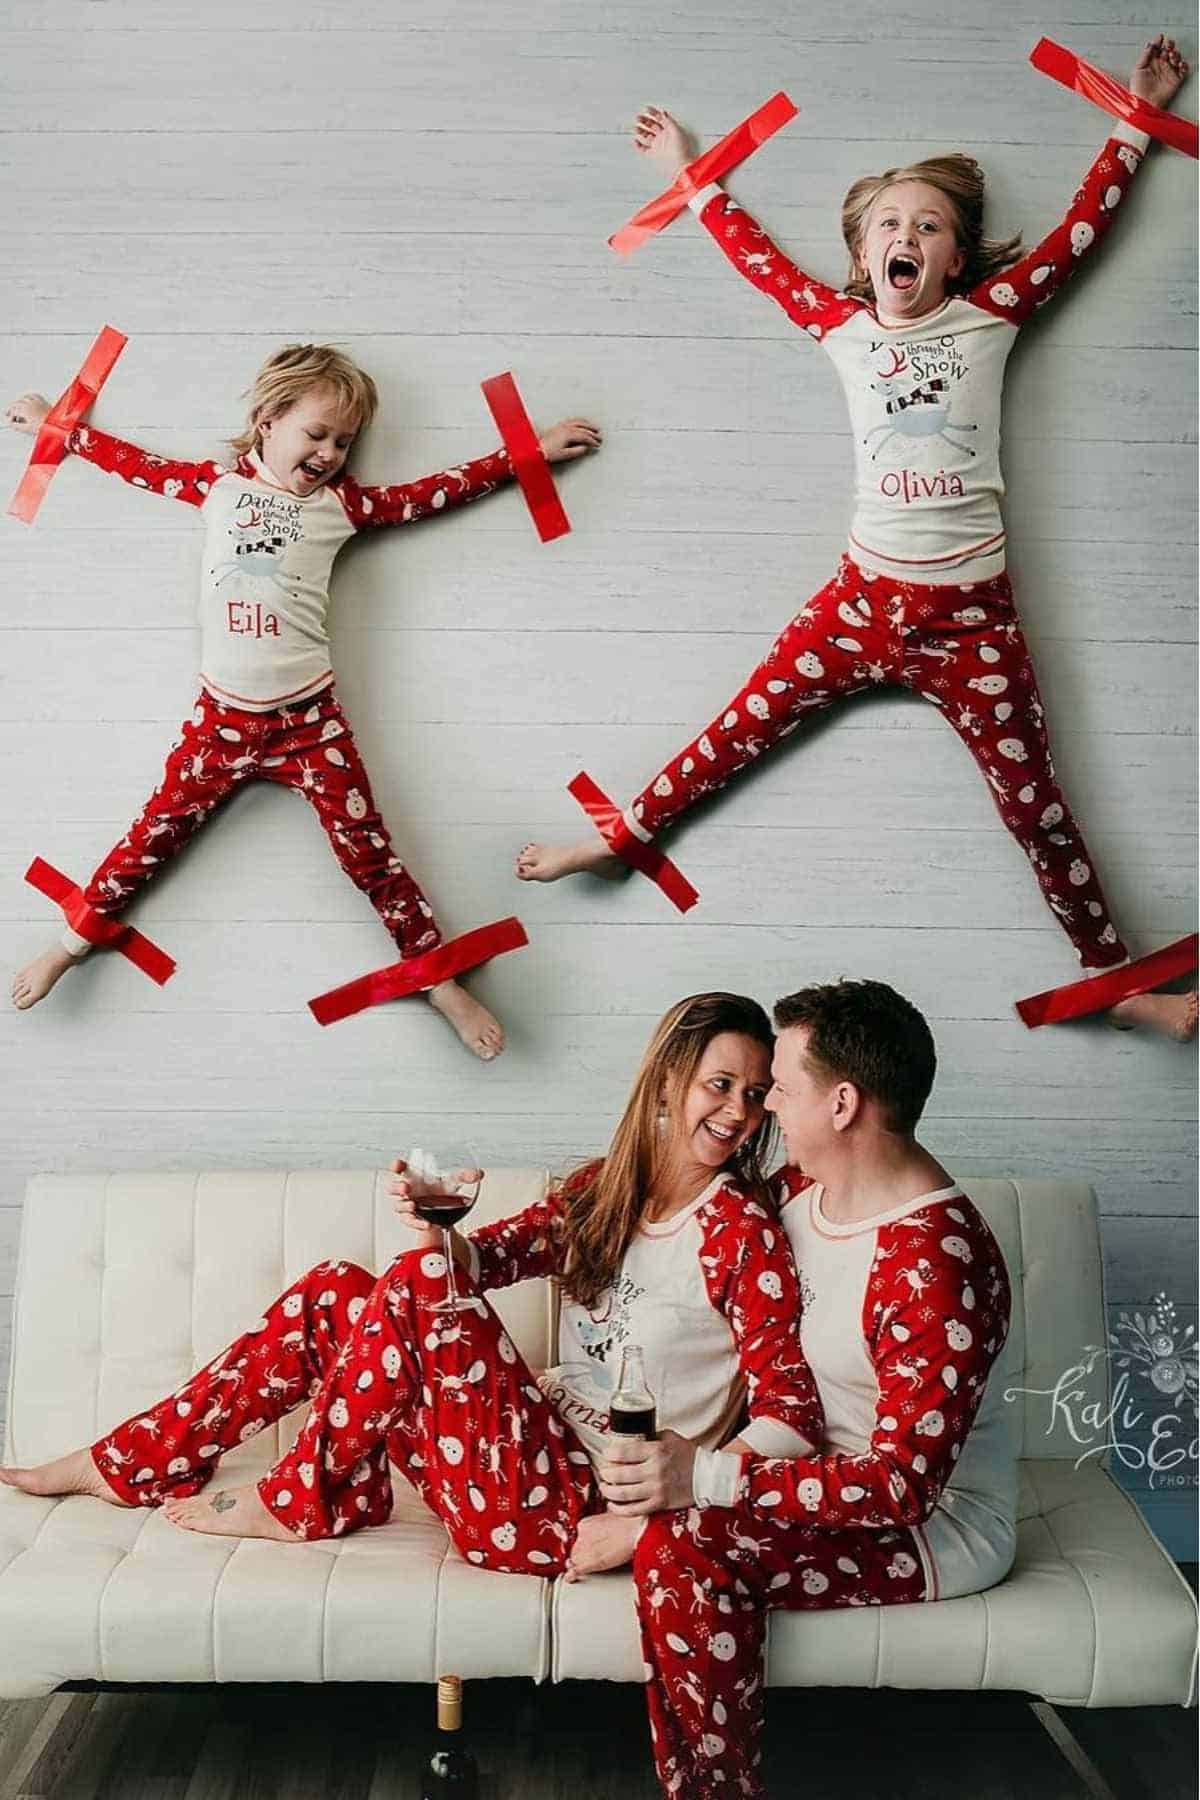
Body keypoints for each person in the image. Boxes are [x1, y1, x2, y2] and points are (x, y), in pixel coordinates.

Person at [517, 36, 1196, 1044]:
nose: (907, 235)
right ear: (866, 253)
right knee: (732, 732)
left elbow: (1077, 236)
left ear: (955, 258)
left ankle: (1114, 980)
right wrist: (688, 175)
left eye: (928, 226)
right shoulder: (840, 325)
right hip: (859, 600)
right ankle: (621, 837)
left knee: (1038, 809)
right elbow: (756, 260)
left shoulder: (989, 318)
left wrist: (1133, 121)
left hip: (970, 618)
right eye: (890, 224)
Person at [0, 994, 819, 1747]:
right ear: (669, 1082)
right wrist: (438, 1224)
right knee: (336, 1291)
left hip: (570, 1509)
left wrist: (666, 1515)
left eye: (755, 1095)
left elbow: (790, 1410)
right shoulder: (604, 1193)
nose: (738, 1112)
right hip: (505, 1463)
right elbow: (482, 1261)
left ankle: (300, 1498)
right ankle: (133, 1464)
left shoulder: (738, 1230)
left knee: (421, 1281)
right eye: (722, 1084)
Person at [6, 342, 600, 1057]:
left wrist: (526, 454)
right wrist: (57, 426)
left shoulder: (341, 506)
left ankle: (438, 979)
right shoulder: (218, 487)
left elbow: (430, 493)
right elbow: (135, 464)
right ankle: (66, 948)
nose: (328, 453)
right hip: (223, 721)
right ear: (266, 422)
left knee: (370, 854)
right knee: (149, 839)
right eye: (315, 434)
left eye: (343, 442)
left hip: (310, 722)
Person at [589, 979, 1015, 1799]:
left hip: (929, 1528)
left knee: (685, 1548)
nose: (767, 1108)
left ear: (843, 1102)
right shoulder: (796, 1193)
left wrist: (696, 1485)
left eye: (782, 1087)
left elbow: (901, 1489)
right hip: (799, 1470)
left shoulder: (935, 1263)